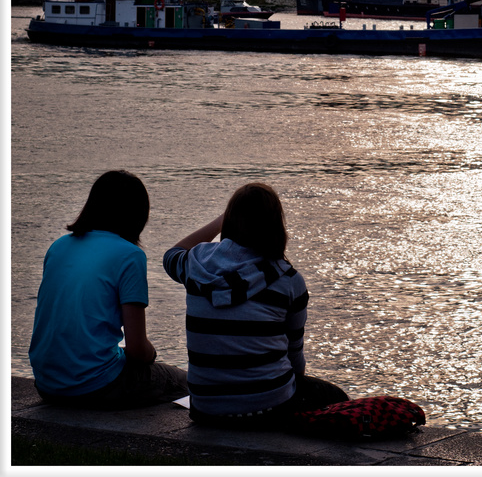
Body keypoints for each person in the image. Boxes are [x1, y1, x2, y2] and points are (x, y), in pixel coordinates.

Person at [163, 182, 348, 428]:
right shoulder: (288, 280)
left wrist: (222, 220)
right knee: (337, 399)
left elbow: (172, 254)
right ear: (275, 226)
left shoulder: (195, 265)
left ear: (229, 220)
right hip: (269, 408)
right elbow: (295, 357)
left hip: (205, 409)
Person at [29, 170, 187, 409]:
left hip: (47, 384)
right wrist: (151, 353)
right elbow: (137, 350)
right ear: (137, 215)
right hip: (95, 386)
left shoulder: (58, 246)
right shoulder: (130, 255)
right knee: (186, 382)